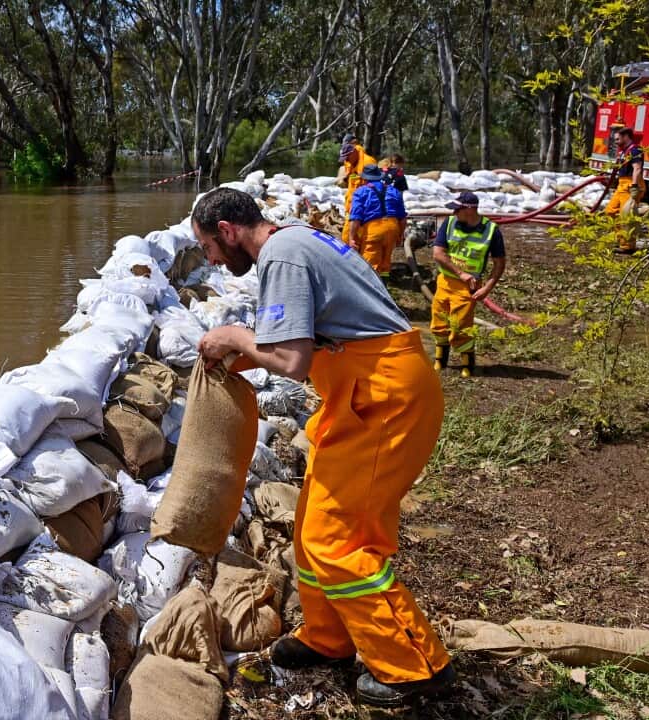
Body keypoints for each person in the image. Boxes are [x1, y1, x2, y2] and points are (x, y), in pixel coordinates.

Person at [189, 187, 455, 708]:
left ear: (225, 230)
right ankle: (329, 639)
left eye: (208, 249)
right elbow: (305, 339)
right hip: (360, 398)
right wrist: (239, 353)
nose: (213, 261)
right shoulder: (297, 242)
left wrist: (234, 337)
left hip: (384, 401)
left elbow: (291, 361)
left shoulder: (282, 256)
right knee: (313, 533)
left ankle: (412, 665)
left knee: (341, 542)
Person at [431, 192, 506, 377]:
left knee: (461, 326)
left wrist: (487, 288)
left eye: (458, 209)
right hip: (445, 281)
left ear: (470, 209)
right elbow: (438, 254)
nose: (455, 213)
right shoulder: (449, 224)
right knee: (438, 323)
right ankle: (440, 360)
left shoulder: (491, 231)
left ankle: (467, 364)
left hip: (468, 289)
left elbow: (499, 263)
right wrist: (460, 273)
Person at [348, 164, 407, 281]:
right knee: (386, 259)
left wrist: (351, 237)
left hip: (374, 229)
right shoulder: (394, 190)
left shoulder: (361, 192)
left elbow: (356, 218)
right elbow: (403, 218)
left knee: (370, 264)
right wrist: (400, 235)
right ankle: (385, 282)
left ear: (364, 178)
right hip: (392, 227)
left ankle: (373, 289)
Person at [604, 126, 645, 253]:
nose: (615, 142)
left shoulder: (635, 150)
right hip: (621, 185)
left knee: (626, 216)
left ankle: (627, 246)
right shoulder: (623, 151)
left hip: (629, 185)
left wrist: (634, 186)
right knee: (610, 211)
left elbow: (637, 168)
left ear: (626, 136)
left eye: (617, 139)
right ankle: (620, 238)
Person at [338, 133, 377, 244]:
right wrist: (345, 179)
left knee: (361, 239)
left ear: (354, 149)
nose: (347, 160)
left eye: (348, 157)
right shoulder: (348, 160)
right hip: (351, 207)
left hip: (364, 208)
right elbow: (350, 176)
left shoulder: (369, 162)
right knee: (347, 238)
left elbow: (375, 187)